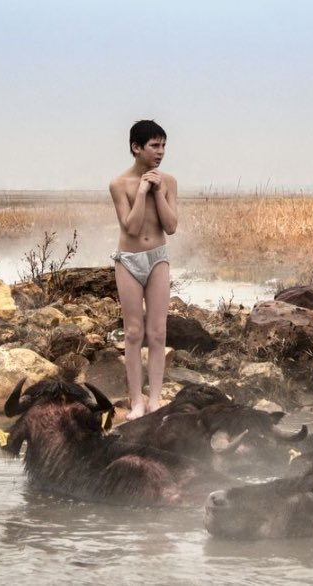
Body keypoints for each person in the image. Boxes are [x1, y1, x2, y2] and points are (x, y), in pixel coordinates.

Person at [109, 120, 178, 420]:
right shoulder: (119, 185)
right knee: (134, 332)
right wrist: (141, 192)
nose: (160, 152)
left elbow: (171, 226)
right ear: (136, 148)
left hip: (157, 258)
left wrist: (159, 191)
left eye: (163, 145)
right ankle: (137, 401)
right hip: (129, 261)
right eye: (154, 146)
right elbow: (133, 227)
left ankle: (156, 400)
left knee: (158, 332)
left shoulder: (169, 182)